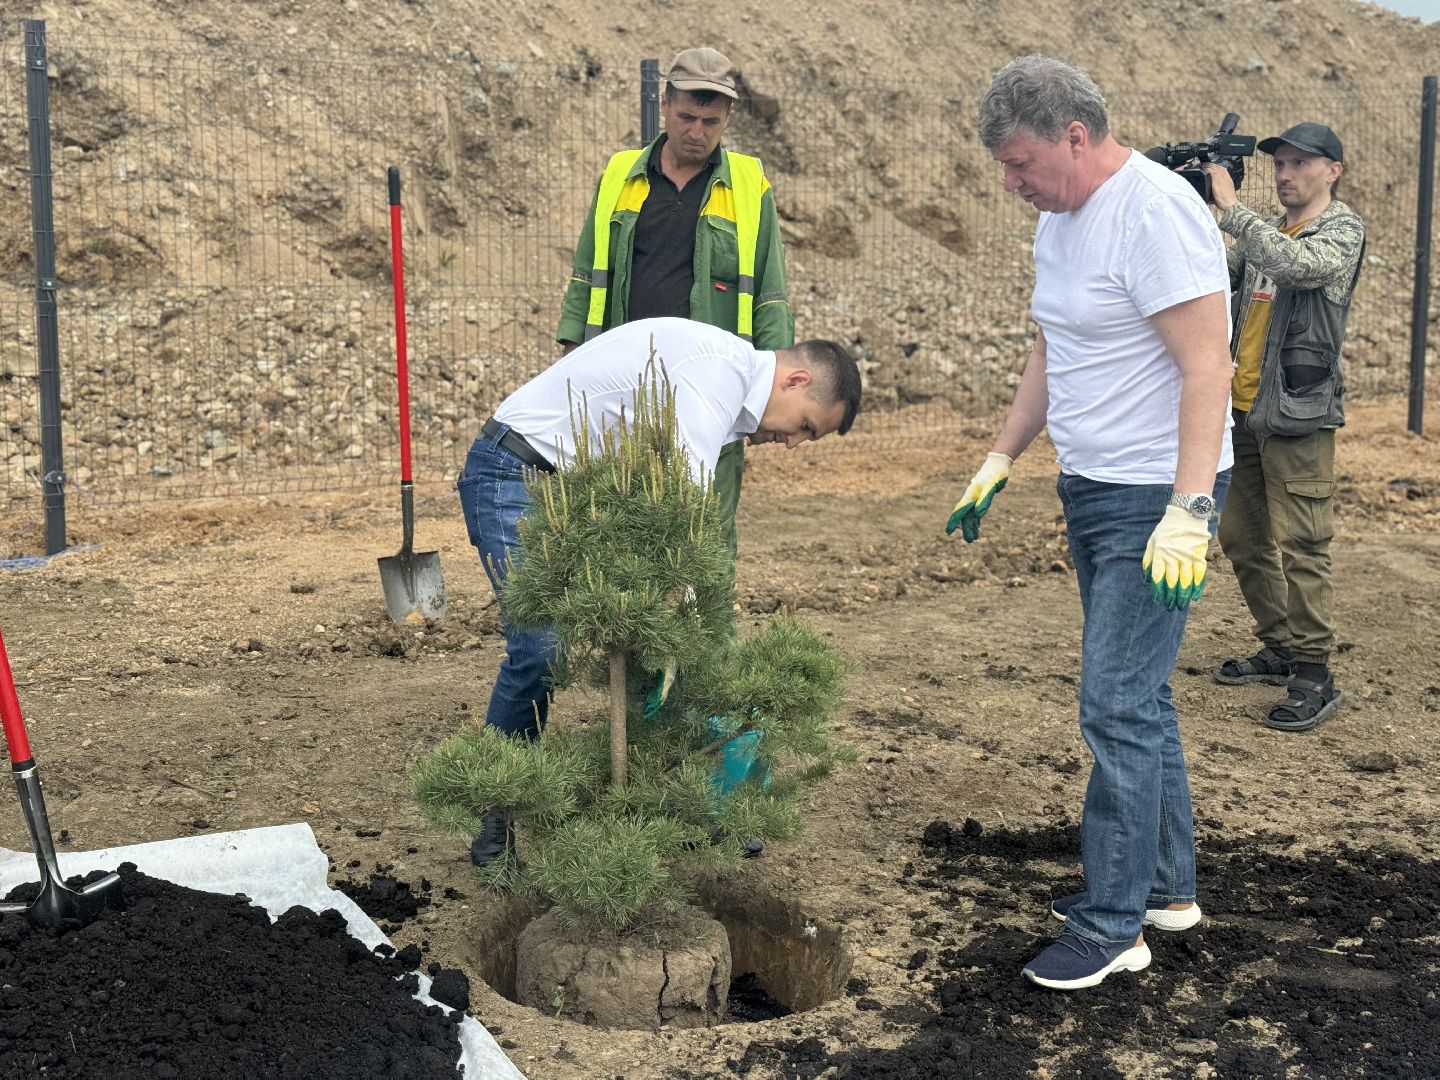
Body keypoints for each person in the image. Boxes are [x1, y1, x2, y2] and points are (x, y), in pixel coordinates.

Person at [951, 55, 1234, 991]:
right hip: (1094, 488)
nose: (1010, 183)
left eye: (1022, 162)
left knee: (1113, 702)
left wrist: (1189, 511)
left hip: (1157, 497)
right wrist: (1002, 455)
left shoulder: (1153, 212)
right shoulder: (1060, 221)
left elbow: (1209, 367)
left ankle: (1113, 925)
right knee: (1139, 695)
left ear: (1077, 136)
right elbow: (1053, 342)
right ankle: (1168, 889)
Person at [458, 317, 861, 865]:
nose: (792, 443)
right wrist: (684, 611)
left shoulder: (729, 393)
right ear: (794, 381)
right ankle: (495, 819)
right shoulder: (718, 373)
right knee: (540, 650)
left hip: (582, 491)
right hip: (516, 473)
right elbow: (682, 499)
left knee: (651, 642)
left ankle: (688, 804)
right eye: (806, 426)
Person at [555, 46, 794, 565]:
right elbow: (585, 272)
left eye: (711, 120)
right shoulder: (619, 177)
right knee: (618, 521)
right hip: (622, 381)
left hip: (710, 392)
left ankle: (705, 646)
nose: (697, 131)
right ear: (664, 105)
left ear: (727, 117)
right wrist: (572, 359)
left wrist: (770, 394)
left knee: (705, 535)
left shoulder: (751, 188)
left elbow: (772, 296)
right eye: (686, 116)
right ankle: (629, 641)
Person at [1201, 124, 1365, 733]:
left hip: (1300, 412)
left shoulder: (1340, 230)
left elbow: (1299, 268)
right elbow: (1218, 273)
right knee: (1243, 538)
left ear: (1333, 171)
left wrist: (1235, 212)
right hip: (1245, 409)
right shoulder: (1267, 233)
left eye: (1299, 163)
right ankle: (1281, 647)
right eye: (1279, 164)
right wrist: (1194, 211)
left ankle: (1315, 673)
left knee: (1303, 545)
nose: (1285, 174)